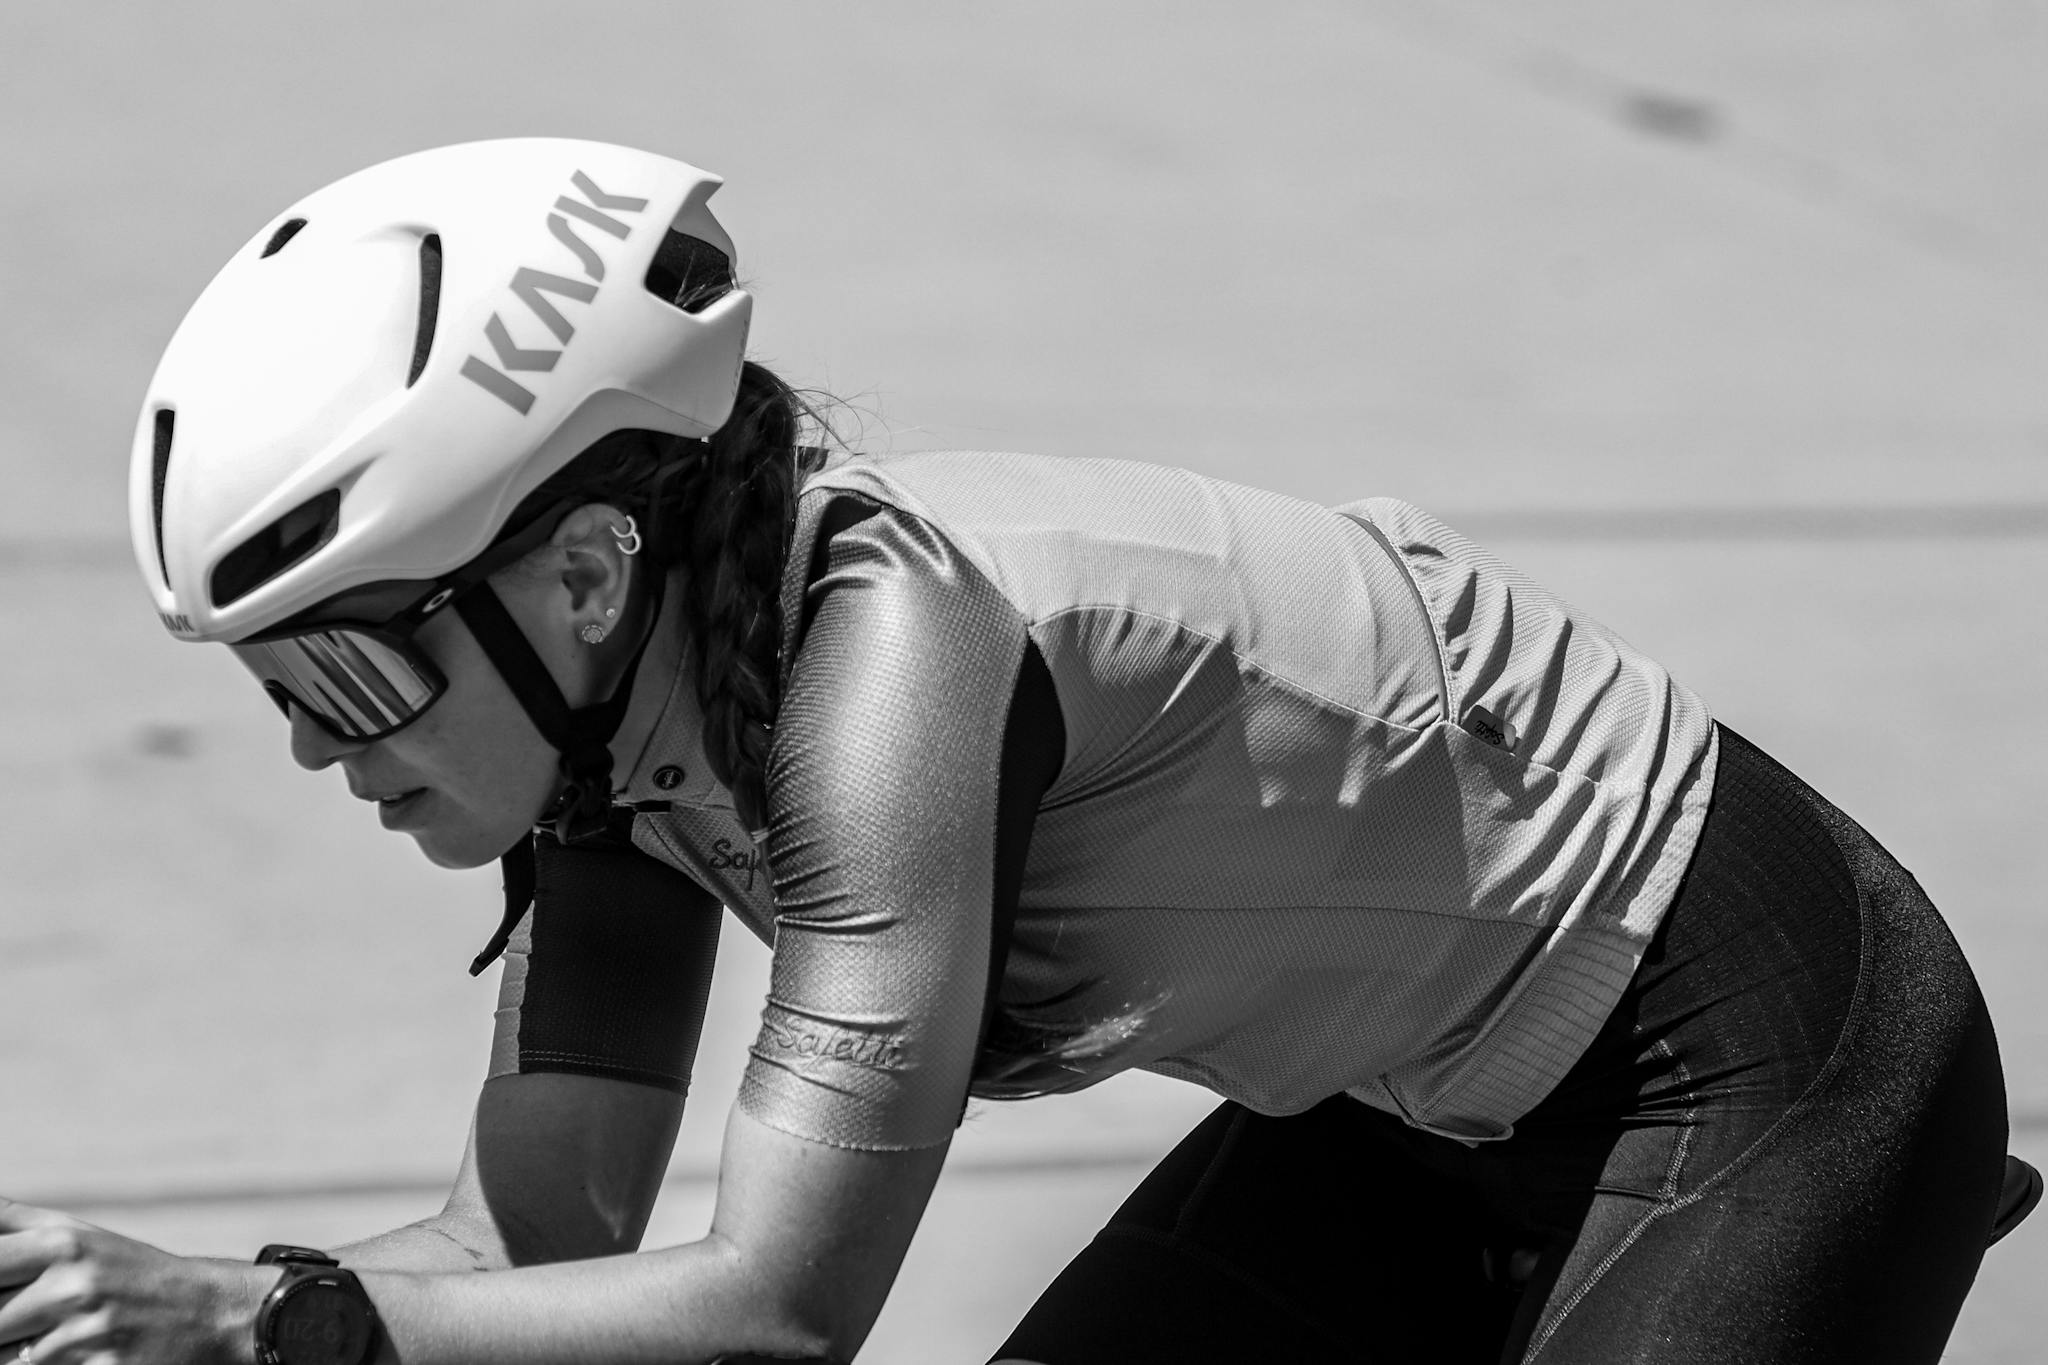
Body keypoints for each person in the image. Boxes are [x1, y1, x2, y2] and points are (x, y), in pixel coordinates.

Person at [0, 136, 2023, 1365]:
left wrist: (271, 1321)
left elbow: (777, 1309)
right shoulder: (609, 747)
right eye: (272, 687)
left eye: (350, 672)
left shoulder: (897, 660)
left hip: (1753, 1053)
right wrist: (129, 1313)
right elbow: (521, 1262)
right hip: (1403, 1115)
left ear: (588, 570)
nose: (311, 747)